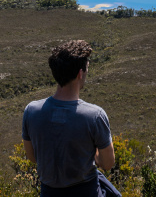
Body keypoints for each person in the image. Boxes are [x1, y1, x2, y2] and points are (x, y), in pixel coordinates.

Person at [22, 40, 120, 197]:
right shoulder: (94, 115)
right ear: (80, 74)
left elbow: (32, 157)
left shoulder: (31, 111)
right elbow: (108, 164)